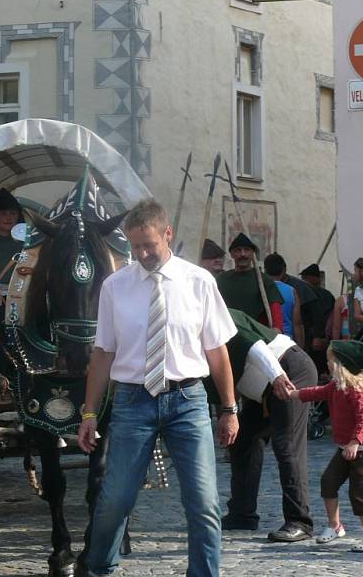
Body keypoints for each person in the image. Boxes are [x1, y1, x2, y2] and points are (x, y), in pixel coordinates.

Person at [78, 199, 239, 576]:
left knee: (204, 502)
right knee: (115, 499)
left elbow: (217, 352)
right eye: (136, 246)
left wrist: (229, 409)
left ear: (168, 234)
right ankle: (99, 568)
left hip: (187, 400)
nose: (143, 253)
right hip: (132, 401)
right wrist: (88, 411)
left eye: (149, 244)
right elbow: (102, 353)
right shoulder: (115, 286)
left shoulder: (199, 282)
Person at [219, 309, 317, 541]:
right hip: (259, 389)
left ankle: (299, 521)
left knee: (287, 445)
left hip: (287, 369)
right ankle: (242, 514)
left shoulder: (216, 312)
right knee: (243, 440)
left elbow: (255, 345)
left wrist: (277, 376)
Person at [291, 341, 363, 552]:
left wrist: (355, 442)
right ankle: (335, 526)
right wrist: (294, 394)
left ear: (341, 365)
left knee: (360, 494)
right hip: (345, 448)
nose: (326, 364)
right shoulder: (335, 387)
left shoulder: (357, 391)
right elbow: (315, 393)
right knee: (328, 481)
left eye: (330, 360)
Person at [216, 232, 283, 330]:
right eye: (238, 250)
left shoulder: (264, 280)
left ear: (253, 253)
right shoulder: (221, 280)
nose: (243, 254)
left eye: (247, 250)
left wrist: (276, 330)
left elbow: (275, 310)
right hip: (227, 334)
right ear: (232, 254)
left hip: (256, 336)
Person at [300, 263, 335, 376]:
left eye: (304, 277)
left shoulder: (305, 293)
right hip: (324, 337)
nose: (302, 280)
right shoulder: (328, 294)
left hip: (310, 335)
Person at [265, 253, 304, 346]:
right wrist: (300, 348)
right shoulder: (291, 291)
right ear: (283, 270)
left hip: (265, 339)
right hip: (286, 341)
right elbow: (297, 324)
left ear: (265, 270)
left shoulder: (261, 289)